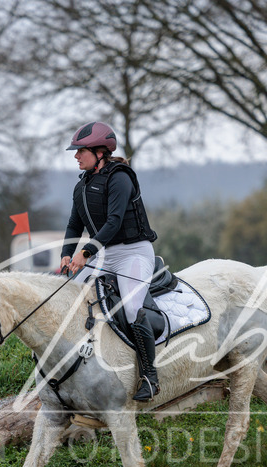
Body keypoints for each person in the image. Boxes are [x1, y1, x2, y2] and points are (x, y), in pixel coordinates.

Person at [59, 121, 160, 401]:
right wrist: (67, 252)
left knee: (132, 308)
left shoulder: (120, 178)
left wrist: (85, 253)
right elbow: (74, 224)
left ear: (100, 152)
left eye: (81, 151)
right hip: (103, 254)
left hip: (133, 253)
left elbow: (114, 222)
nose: (76, 156)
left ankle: (149, 377)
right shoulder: (82, 186)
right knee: (68, 298)